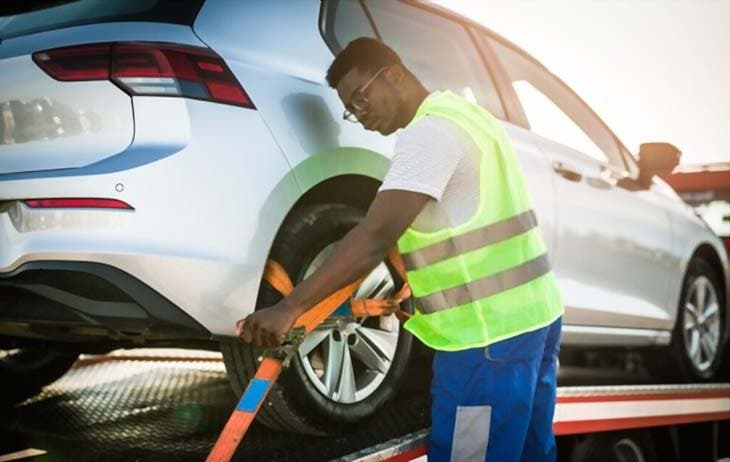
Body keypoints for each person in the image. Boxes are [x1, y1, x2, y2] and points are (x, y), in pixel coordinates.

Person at [237, 37, 564, 462]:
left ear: (393, 74)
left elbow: (374, 235)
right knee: (529, 454)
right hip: (533, 320)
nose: (360, 114)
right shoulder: (466, 115)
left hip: (484, 342)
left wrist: (290, 308)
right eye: (351, 109)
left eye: (361, 97)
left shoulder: (429, 135)